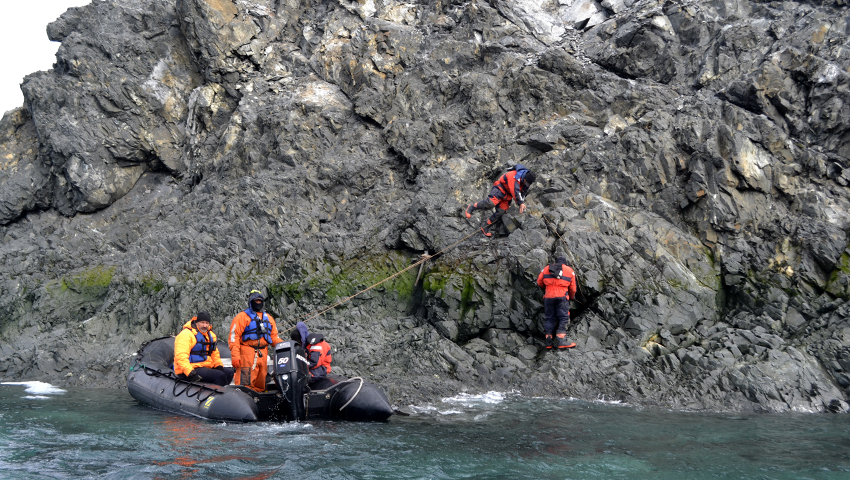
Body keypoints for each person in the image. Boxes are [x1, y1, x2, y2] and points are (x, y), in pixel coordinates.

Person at [228, 290, 282, 392]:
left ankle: (258, 403)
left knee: (260, 384)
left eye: (260, 301)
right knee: (245, 384)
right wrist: (235, 356)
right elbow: (234, 337)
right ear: (251, 301)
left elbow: (274, 337)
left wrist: (285, 346)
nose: (258, 303)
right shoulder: (242, 317)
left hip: (263, 354)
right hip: (247, 354)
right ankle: (244, 401)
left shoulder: (269, 318)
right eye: (255, 301)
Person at [464, 163, 537, 236]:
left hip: (507, 196)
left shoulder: (526, 183)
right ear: (524, 177)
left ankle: (485, 227)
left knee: (501, 212)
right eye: (525, 182)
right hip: (500, 188)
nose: (526, 184)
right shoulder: (514, 176)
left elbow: (522, 193)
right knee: (490, 203)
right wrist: (520, 203)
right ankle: (471, 207)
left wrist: (522, 203)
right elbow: (515, 191)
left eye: (527, 184)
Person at [173, 312, 234, 386]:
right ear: (197, 322)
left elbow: (214, 353)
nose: (205, 325)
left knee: (229, 373)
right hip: (190, 369)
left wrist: (219, 365)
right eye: (202, 322)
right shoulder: (186, 335)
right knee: (219, 376)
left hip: (204, 366)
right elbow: (181, 355)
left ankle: (221, 392)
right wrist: (189, 371)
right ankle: (215, 395)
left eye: (207, 323)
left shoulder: (210, 335)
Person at [536, 256, 578, 350]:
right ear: (565, 263)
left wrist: (547, 287)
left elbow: (539, 282)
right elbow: (573, 288)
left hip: (548, 297)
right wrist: (571, 297)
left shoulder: (547, 268)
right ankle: (561, 340)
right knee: (563, 317)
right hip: (562, 297)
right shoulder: (569, 270)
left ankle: (548, 341)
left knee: (549, 318)